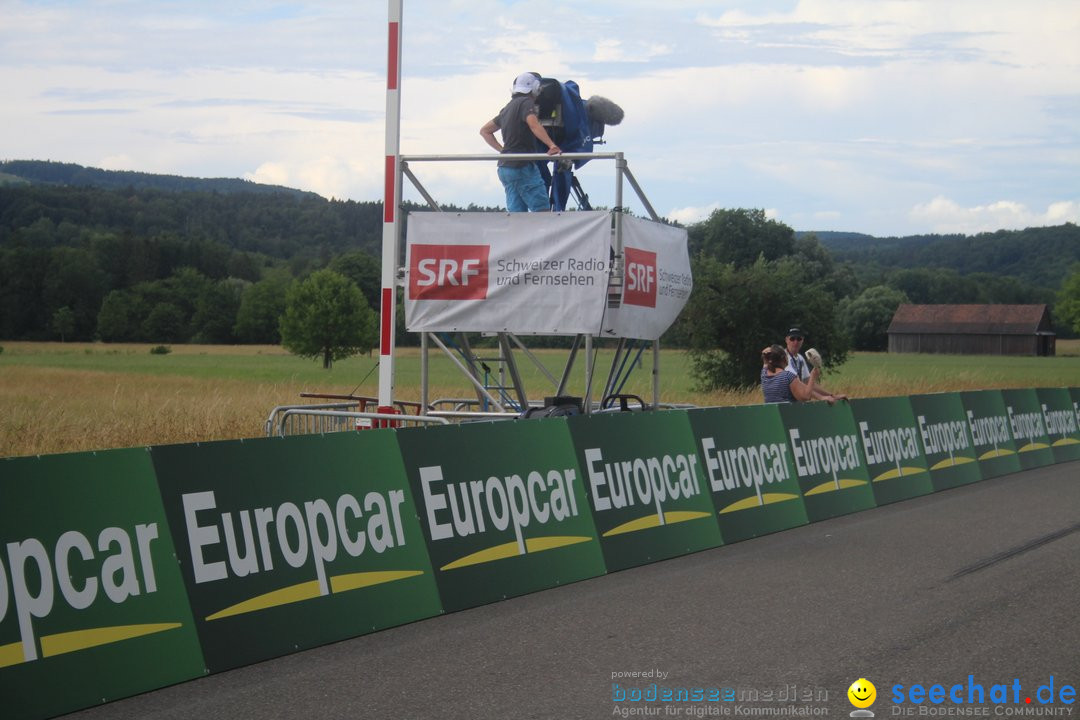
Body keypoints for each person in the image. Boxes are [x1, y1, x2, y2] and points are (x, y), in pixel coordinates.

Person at [480, 72, 562, 212]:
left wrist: (503, 151)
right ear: (535, 88)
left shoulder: (507, 108)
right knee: (542, 211)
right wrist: (552, 145)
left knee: (516, 215)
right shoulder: (526, 103)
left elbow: (485, 131)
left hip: (505, 168)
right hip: (522, 166)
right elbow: (534, 125)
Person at [782, 326, 848, 404]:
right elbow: (801, 387)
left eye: (799, 339)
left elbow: (808, 382)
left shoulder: (800, 358)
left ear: (802, 340)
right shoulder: (783, 358)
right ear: (786, 340)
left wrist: (831, 395)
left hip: (796, 402)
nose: (796, 342)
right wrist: (821, 397)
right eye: (792, 339)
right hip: (785, 403)